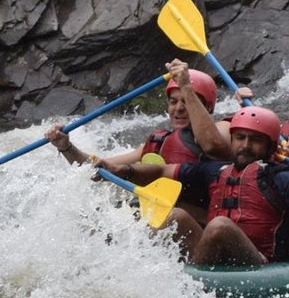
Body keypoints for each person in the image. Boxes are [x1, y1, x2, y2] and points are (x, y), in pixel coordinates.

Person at [169, 106, 289, 298]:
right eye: (240, 137)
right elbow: (160, 171)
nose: (245, 145)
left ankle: (188, 294)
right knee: (176, 216)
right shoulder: (217, 170)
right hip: (214, 258)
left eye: (255, 140)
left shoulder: (286, 178)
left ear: (270, 147)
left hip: (260, 265)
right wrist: (135, 171)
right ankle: (160, 277)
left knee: (220, 227)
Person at [45, 62, 229, 221]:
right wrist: (66, 147)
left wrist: (188, 88)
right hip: (158, 223)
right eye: (173, 101)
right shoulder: (159, 142)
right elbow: (95, 169)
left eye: (187, 102)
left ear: (208, 107)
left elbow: (212, 144)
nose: (179, 108)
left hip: (199, 226)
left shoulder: (223, 131)